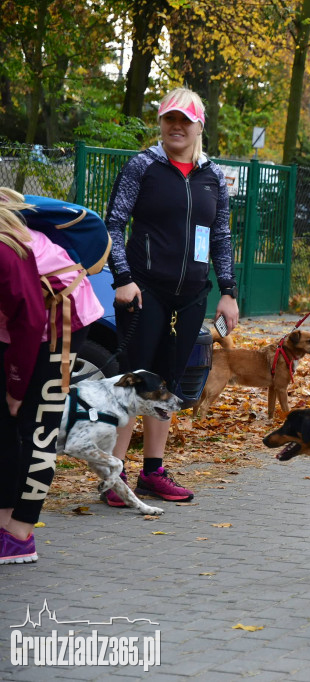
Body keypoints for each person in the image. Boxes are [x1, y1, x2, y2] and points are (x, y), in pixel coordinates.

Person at [104, 87, 239, 506]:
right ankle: (115, 476)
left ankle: (153, 473)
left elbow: (221, 236)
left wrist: (228, 292)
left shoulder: (213, 176)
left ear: (200, 126)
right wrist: (123, 278)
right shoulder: (142, 167)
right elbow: (113, 225)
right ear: (160, 124)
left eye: (185, 120)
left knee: (168, 385)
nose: (177, 127)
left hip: (191, 295)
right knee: (134, 381)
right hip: (143, 291)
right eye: (169, 120)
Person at [0, 196, 103, 563]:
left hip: (61, 319)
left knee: (36, 427)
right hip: (21, 322)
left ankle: (20, 535)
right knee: (4, 424)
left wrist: (16, 387)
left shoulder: (3, 251)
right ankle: (4, 521)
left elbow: (28, 321)